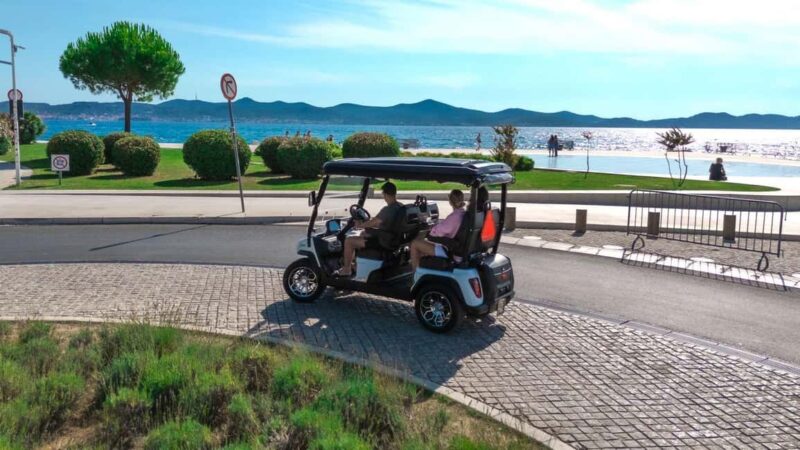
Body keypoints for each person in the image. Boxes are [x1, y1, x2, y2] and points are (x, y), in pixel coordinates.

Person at [337, 182, 402, 277]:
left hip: (384, 242)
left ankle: (347, 269)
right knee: (363, 233)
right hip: (390, 238)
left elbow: (375, 222)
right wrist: (366, 226)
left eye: (383, 194)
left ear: (385, 194)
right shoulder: (399, 206)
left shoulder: (388, 209)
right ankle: (355, 265)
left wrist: (360, 225)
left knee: (349, 241)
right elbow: (379, 222)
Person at [409, 190, 466, 270]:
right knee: (424, 245)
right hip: (455, 249)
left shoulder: (454, 217)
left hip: (450, 252)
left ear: (450, 201)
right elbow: (447, 227)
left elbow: (434, 233)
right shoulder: (462, 214)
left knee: (415, 244)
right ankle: (423, 271)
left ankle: (415, 275)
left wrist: (432, 227)